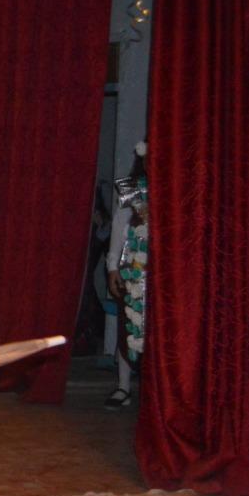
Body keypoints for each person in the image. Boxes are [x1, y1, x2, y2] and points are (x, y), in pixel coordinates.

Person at [105, 141, 148, 410]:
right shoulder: (131, 188)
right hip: (130, 269)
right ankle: (123, 386)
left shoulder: (173, 188)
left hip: (159, 277)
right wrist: (112, 267)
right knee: (127, 326)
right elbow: (118, 227)